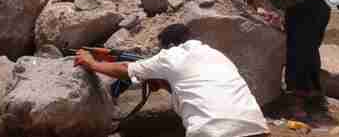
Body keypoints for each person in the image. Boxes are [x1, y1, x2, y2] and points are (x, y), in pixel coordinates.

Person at [212, 0, 331, 119]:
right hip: (320, 5)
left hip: (304, 7)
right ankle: (315, 97)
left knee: (295, 51)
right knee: (309, 50)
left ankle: (296, 102)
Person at [75, 24, 270, 137]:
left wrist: (91, 63)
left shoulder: (171, 55)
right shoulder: (216, 55)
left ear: (170, 46)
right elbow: (199, 91)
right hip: (257, 129)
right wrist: (166, 83)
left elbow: (126, 69)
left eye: (162, 49)